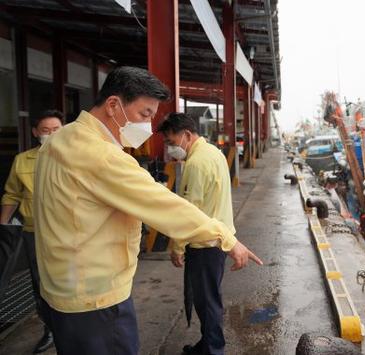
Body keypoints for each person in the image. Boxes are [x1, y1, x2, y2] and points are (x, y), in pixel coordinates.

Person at [33, 66, 262, 355]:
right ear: (114, 105)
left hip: (60, 294)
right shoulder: (102, 156)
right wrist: (227, 239)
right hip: (98, 301)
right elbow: (168, 207)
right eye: (145, 114)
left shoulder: (57, 142)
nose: (149, 127)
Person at [158, 113, 234, 355]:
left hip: (204, 244)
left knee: (207, 302)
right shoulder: (214, 153)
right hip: (218, 238)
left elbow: (187, 213)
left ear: (187, 135)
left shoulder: (196, 163)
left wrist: (177, 246)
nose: (170, 149)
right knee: (208, 298)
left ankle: (213, 350)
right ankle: (207, 344)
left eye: (171, 142)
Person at [1, 109, 63, 353]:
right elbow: (12, 194)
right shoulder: (22, 160)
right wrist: (4, 226)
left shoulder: (76, 158)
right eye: (45, 131)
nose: (50, 135)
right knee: (40, 283)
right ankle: (49, 329)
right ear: (36, 132)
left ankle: (70, 326)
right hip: (33, 232)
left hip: (68, 233)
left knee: (68, 280)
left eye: (56, 130)